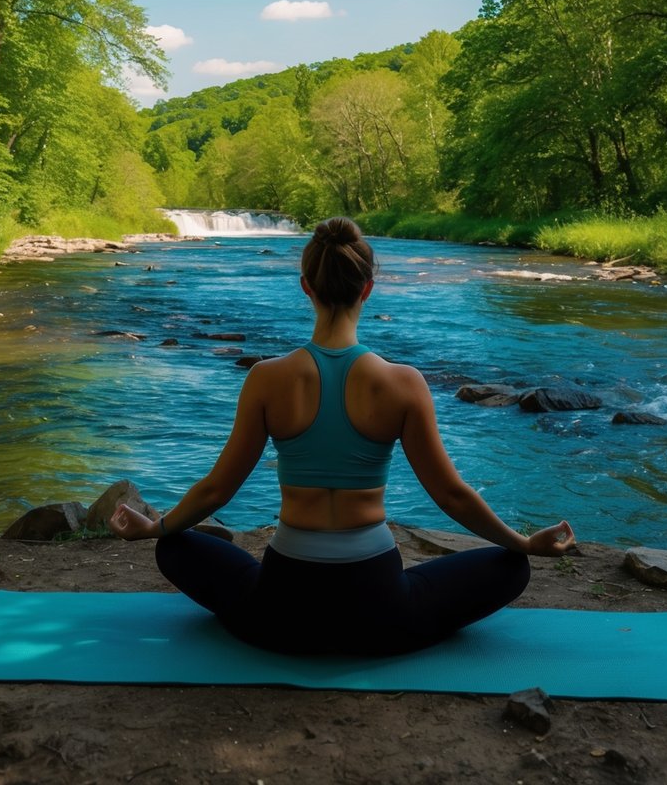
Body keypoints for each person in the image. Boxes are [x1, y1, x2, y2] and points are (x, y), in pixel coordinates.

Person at [110, 216, 575, 655]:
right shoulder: (404, 382)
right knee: (510, 567)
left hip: (279, 611)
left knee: (175, 547)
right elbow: (452, 495)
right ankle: (381, 628)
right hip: (379, 609)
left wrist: (156, 527)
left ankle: (283, 623)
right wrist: (523, 542)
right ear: (367, 289)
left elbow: (217, 489)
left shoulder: (267, 379)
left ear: (306, 287)